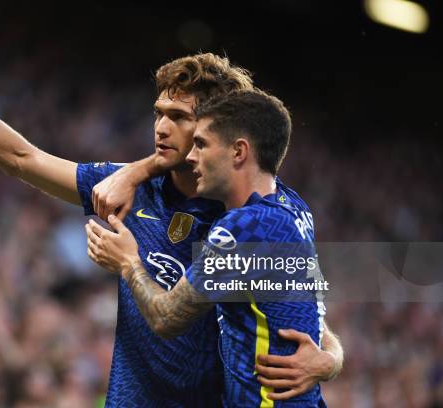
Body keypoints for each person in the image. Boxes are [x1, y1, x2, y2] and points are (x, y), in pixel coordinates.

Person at [0, 43, 341, 406]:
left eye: (178, 118)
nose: (160, 127)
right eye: (158, 112)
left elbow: (301, 313)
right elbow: (21, 159)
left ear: (215, 130)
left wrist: (331, 359)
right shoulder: (126, 188)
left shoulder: (247, 213)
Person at [85, 90, 336, 406]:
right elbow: (314, 312)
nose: (191, 156)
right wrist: (332, 359)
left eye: (201, 144)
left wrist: (127, 262)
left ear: (238, 152)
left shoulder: (244, 229)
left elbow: (167, 318)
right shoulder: (293, 208)